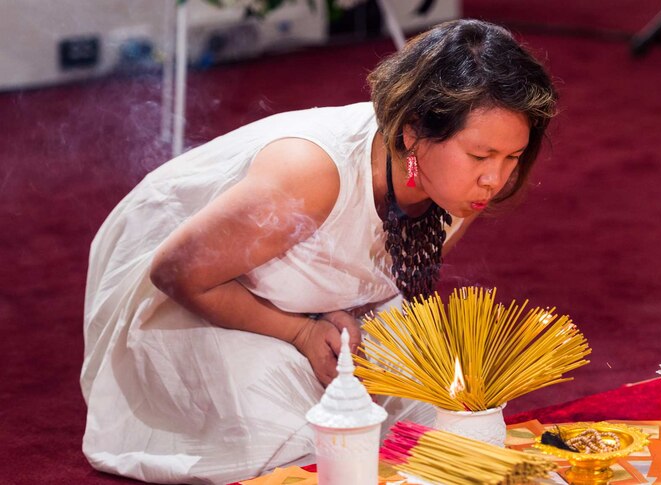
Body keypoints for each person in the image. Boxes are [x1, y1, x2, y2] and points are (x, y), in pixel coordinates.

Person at [81, 19, 558, 484]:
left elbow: (380, 272)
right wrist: (301, 333)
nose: (495, 180)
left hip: (313, 296)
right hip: (194, 289)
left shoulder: (459, 185)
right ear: (413, 133)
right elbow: (175, 273)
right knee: (293, 433)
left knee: (447, 411)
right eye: (480, 157)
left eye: (512, 158)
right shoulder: (309, 174)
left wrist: (337, 314)